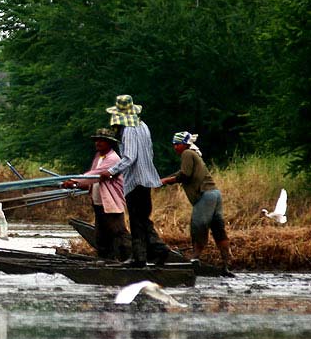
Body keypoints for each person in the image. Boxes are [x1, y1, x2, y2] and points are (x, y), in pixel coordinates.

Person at [98, 95, 171, 268]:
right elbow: (150, 152)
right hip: (146, 179)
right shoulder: (143, 126)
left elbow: (130, 157)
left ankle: (145, 255)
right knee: (142, 219)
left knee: (137, 221)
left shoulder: (129, 130)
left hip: (135, 181)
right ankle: (150, 253)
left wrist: (111, 171)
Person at [160, 131, 234, 274]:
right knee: (218, 229)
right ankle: (227, 261)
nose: (175, 147)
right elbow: (180, 173)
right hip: (215, 194)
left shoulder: (187, 154)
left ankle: (195, 257)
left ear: (185, 144)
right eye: (174, 144)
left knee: (198, 225)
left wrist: (165, 181)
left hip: (205, 194)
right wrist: (164, 180)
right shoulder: (193, 155)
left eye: (178, 144)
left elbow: (184, 175)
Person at [62, 128, 129, 261]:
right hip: (98, 203)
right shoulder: (98, 157)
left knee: (119, 232)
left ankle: (128, 258)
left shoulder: (113, 159)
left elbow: (94, 175)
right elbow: (91, 179)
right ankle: (106, 261)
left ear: (109, 143)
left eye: (102, 140)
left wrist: (74, 180)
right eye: (97, 140)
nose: (98, 143)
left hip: (110, 203)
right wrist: (77, 184)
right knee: (101, 236)